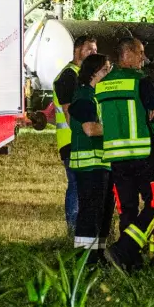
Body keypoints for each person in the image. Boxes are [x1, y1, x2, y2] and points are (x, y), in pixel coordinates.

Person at [98, 38, 154, 271]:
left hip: (116, 158)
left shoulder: (102, 84)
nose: (143, 58)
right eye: (140, 53)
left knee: (126, 209)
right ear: (127, 54)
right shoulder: (140, 81)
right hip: (144, 154)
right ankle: (124, 248)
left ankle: (129, 262)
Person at [68, 53, 115, 266]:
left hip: (101, 163)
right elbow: (90, 129)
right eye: (105, 69)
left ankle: (98, 255)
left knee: (103, 212)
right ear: (93, 73)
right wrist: (117, 130)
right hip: (89, 165)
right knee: (91, 212)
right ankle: (84, 259)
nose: (108, 73)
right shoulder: (84, 96)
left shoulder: (96, 95)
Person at [53, 34, 98, 234]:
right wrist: (82, 134)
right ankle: (73, 229)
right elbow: (68, 112)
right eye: (89, 49)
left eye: (95, 50)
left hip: (79, 139)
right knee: (76, 184)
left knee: (83, 185)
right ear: (77, 50)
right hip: (72, 141)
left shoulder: (81, 75)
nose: (93, 53)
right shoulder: (69, 76)